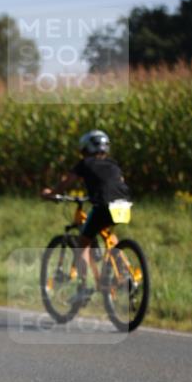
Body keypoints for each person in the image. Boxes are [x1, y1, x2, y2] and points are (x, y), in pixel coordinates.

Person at [41, 129, 130, 304]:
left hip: (103, 204)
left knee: (83, 243)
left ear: (86, 148)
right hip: (124, 204)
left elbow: (67, 182)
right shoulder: (114, 164)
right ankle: (124, 271)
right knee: (108, 234)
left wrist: (51, 193)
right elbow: (117, 183)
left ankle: (83, 289)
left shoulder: (84, 163)